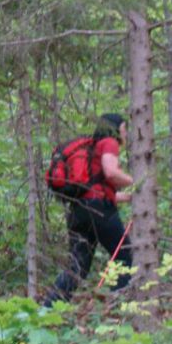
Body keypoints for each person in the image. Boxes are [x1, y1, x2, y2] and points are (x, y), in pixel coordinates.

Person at [45, 114, 134, 306]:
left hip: (79, 211)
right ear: (115, 129)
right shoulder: (109, 142)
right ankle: (119, 307)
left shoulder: (91, 149)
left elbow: (98, 190)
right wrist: (136, 181)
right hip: (99, 210)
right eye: (124, 128)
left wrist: (130, 197)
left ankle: (48, 310)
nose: (126, 133)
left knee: (77, 267)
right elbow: (111, 172)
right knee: (125, 254)